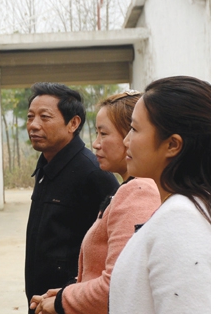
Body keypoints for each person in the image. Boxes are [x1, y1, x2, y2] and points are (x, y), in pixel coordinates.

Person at [29, 91, 160, 314]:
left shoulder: (137, 191)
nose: (96, 144)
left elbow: (116, 284)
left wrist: (63, 300)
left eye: (104, 134)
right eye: (30, 116)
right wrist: (66, 293)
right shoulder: (128, 188)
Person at [109, 76, 211, 313]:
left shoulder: (181, 221)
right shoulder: (184, 209)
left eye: (134, 129)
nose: (126, 140)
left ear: (173, 145)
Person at [24, 82, 119, 314]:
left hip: (70, 303)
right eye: (30, 117)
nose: (33, 125)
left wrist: (72, 297)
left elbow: (113, 250)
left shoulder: (93, 173)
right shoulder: (46, 166)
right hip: (40, 300)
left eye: (44, 117)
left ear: (73, 123)